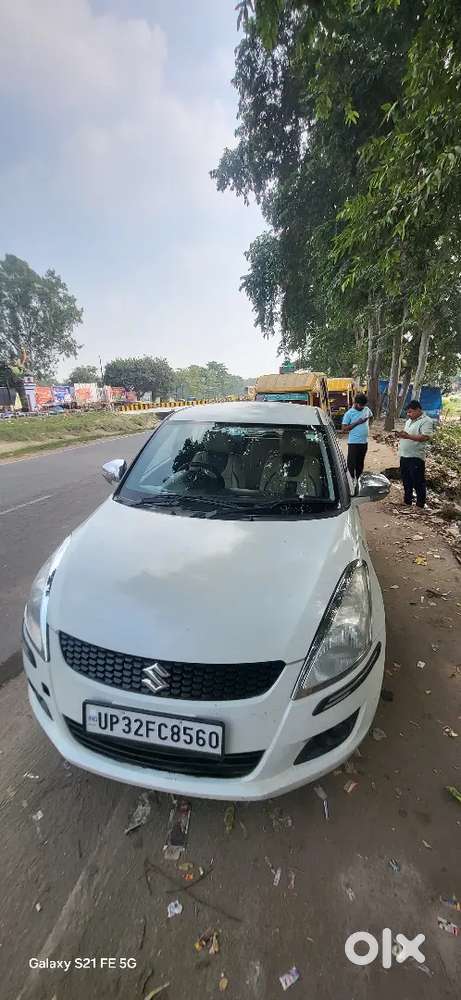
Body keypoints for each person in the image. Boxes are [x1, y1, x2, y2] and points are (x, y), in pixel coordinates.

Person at [397, 399, 433, 509]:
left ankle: (420, 504)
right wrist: (401, 435)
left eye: (410, 412)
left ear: (418, 410)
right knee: (406, 480)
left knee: (418, 481)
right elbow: (408, 435)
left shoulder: (426, 421)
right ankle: (407, 501)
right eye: (407, 412)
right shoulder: (409, 421)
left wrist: (407, 436)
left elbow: (425, 437)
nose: (408, 414)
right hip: (404, 455)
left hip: (416, 456)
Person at [341, 393, 373, 482]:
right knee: (351, 464)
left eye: (364, 405)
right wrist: (357, 423)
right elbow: (344, 429)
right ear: (355, 403)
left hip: (364, 442)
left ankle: (358, 481)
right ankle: (350, 482)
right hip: (354, 443)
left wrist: (368, 424)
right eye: (360, 405)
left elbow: (371, 416)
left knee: (360, 463)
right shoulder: (349, 413)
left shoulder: (366, 409)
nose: (362, 407)